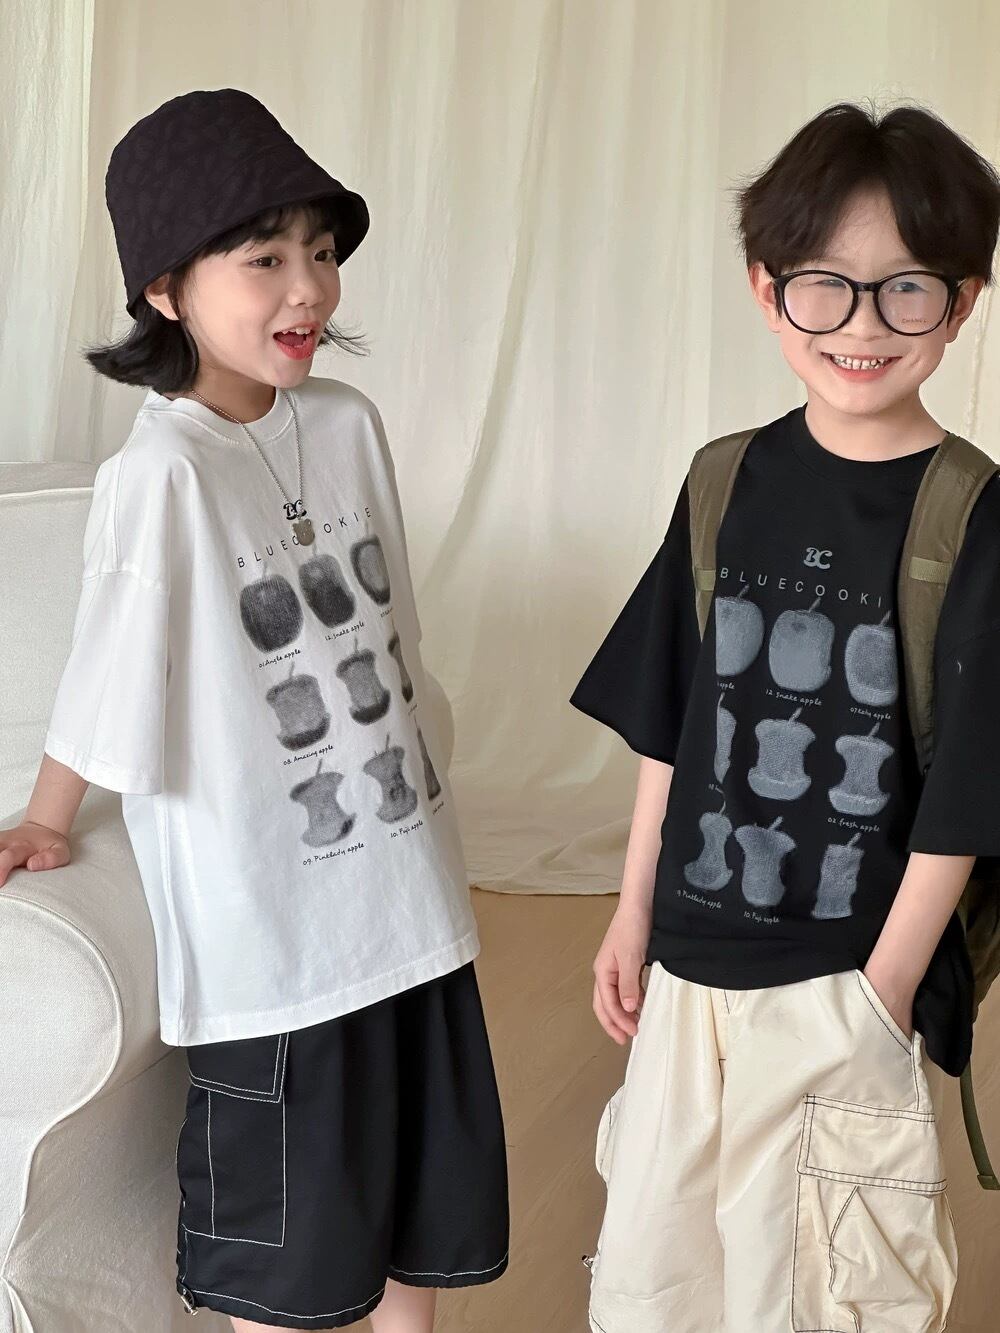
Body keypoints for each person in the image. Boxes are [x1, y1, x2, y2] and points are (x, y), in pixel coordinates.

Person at [0, 89, 508, 1333]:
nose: (310, 288)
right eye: (265, 258)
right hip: (277, 950)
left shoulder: (348, 425)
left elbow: (398, 640)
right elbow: (110, 669)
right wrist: (48, 817)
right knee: (286, 1272)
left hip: (414, 910)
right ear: (165, 288)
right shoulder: (160, 471)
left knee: (415, 1233)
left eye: (320, 252)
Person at [570, 101, 1000, 1333]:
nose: (860, 326)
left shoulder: (972, 515)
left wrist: (882, 991)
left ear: (961, 303)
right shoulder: (725, 479)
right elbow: (674, 719)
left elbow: (969, 793)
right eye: (824, 286)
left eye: (904, 289)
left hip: (841, 981)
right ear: (766, 292)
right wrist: (632, 911)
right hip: (687, 967)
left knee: (815, 1293)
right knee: (655, 1276)